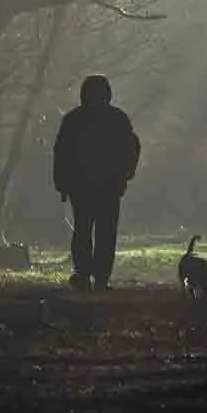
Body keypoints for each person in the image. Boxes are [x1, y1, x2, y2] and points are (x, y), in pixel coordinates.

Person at [51, 74, 140, 290]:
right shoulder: (117, 118)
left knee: (85, 230)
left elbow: (61, 153)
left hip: (84, 186)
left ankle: (86, 275)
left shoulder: (73, 120)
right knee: (103, 232)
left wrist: (61, 182)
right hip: (105, 185)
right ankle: (98, 277)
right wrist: (126, 174)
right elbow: (132, 148)